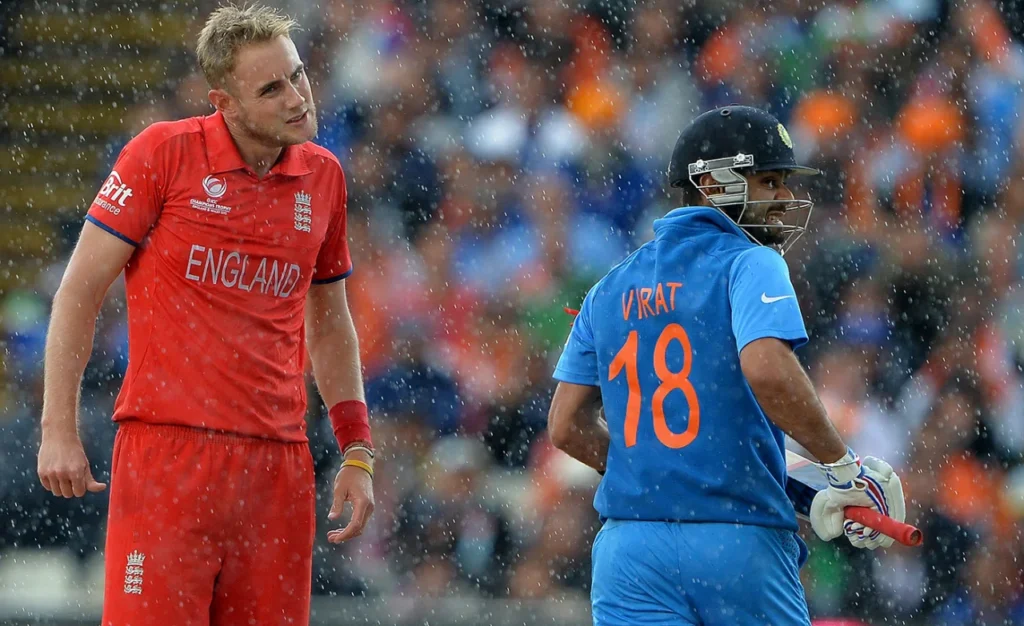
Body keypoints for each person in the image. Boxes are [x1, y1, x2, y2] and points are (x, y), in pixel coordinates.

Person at [36, 5, 375, 625]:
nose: (298, 98)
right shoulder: (161, 155)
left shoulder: (323, 177)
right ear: (225, 102)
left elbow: (330, 325)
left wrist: (357, 450)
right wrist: (58, 427)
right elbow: (79, 290)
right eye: (271, 88)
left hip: (277, 467)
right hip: (168, 456)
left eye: (297, 75)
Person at [546, 105, 907, 626]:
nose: (785, 198)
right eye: (769, 181)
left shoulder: (610, 286)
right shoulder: (751, 260)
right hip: (736, 543)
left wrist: (660, 474)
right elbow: (765, 367)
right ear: (714, 182)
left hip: (629, 549)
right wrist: (842, 468)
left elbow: (565, 426)